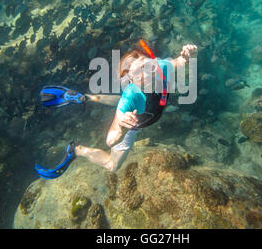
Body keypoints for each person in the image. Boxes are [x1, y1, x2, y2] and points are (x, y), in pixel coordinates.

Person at [35, 41, 197, 178]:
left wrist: (187, 56)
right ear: (132, 81)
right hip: (133, 125)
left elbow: (178, 62)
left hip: (143, 109)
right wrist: (121, 128)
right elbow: (110, 140)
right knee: (112, 165)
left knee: (128, 101)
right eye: (139, 73)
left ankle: (84, 97)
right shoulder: (130, 97)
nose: (147, 72)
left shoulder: (161, 67)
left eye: (147, 65)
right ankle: (77, 150)